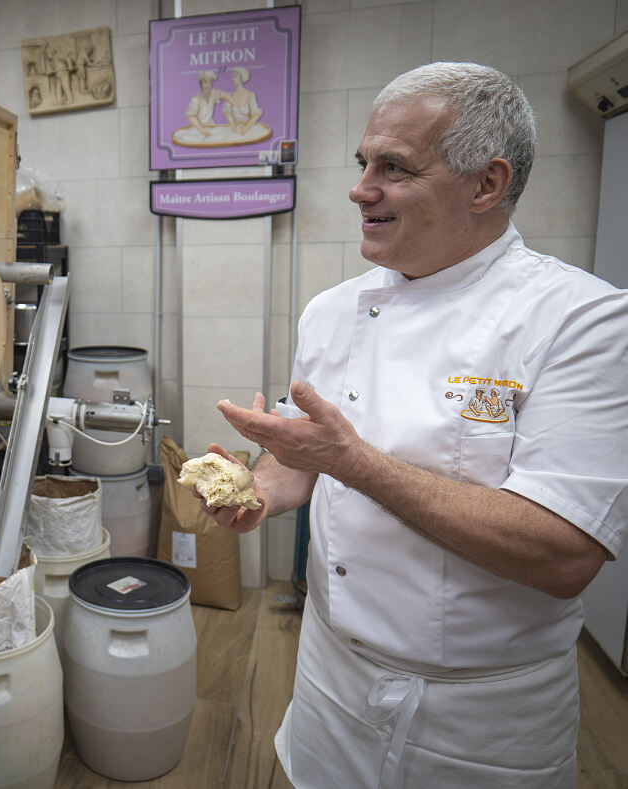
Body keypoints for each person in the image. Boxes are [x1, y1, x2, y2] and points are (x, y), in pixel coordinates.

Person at [203, 61, 628, 788]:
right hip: (329, 672)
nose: (359, 188)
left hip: (477, 714)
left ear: (486, 184)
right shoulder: (331, 310)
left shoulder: (584, 320)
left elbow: (563, 555)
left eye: (394, 167)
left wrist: (352, 461)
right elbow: (302, 455)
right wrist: (260, 488)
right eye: (363, 161)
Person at [222, 66, 262, 136]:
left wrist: (245, 129)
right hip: (234, 129)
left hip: (248, 129)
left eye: (235, 76)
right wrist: (234, 129)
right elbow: (227, 114)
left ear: (241, 78)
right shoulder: (230, 96)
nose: (233, 79)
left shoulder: (250, 95)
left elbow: (256, 114)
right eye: (233, 77)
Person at [186, 70, 224, 137]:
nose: (208, 85)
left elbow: (223, 95)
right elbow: (191, 117)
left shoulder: (212, 96)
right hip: (198, 129)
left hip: (210, 127)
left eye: (210, 82)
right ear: (201, 83)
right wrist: (202, 131)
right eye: (205, 82)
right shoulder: (196, 99)